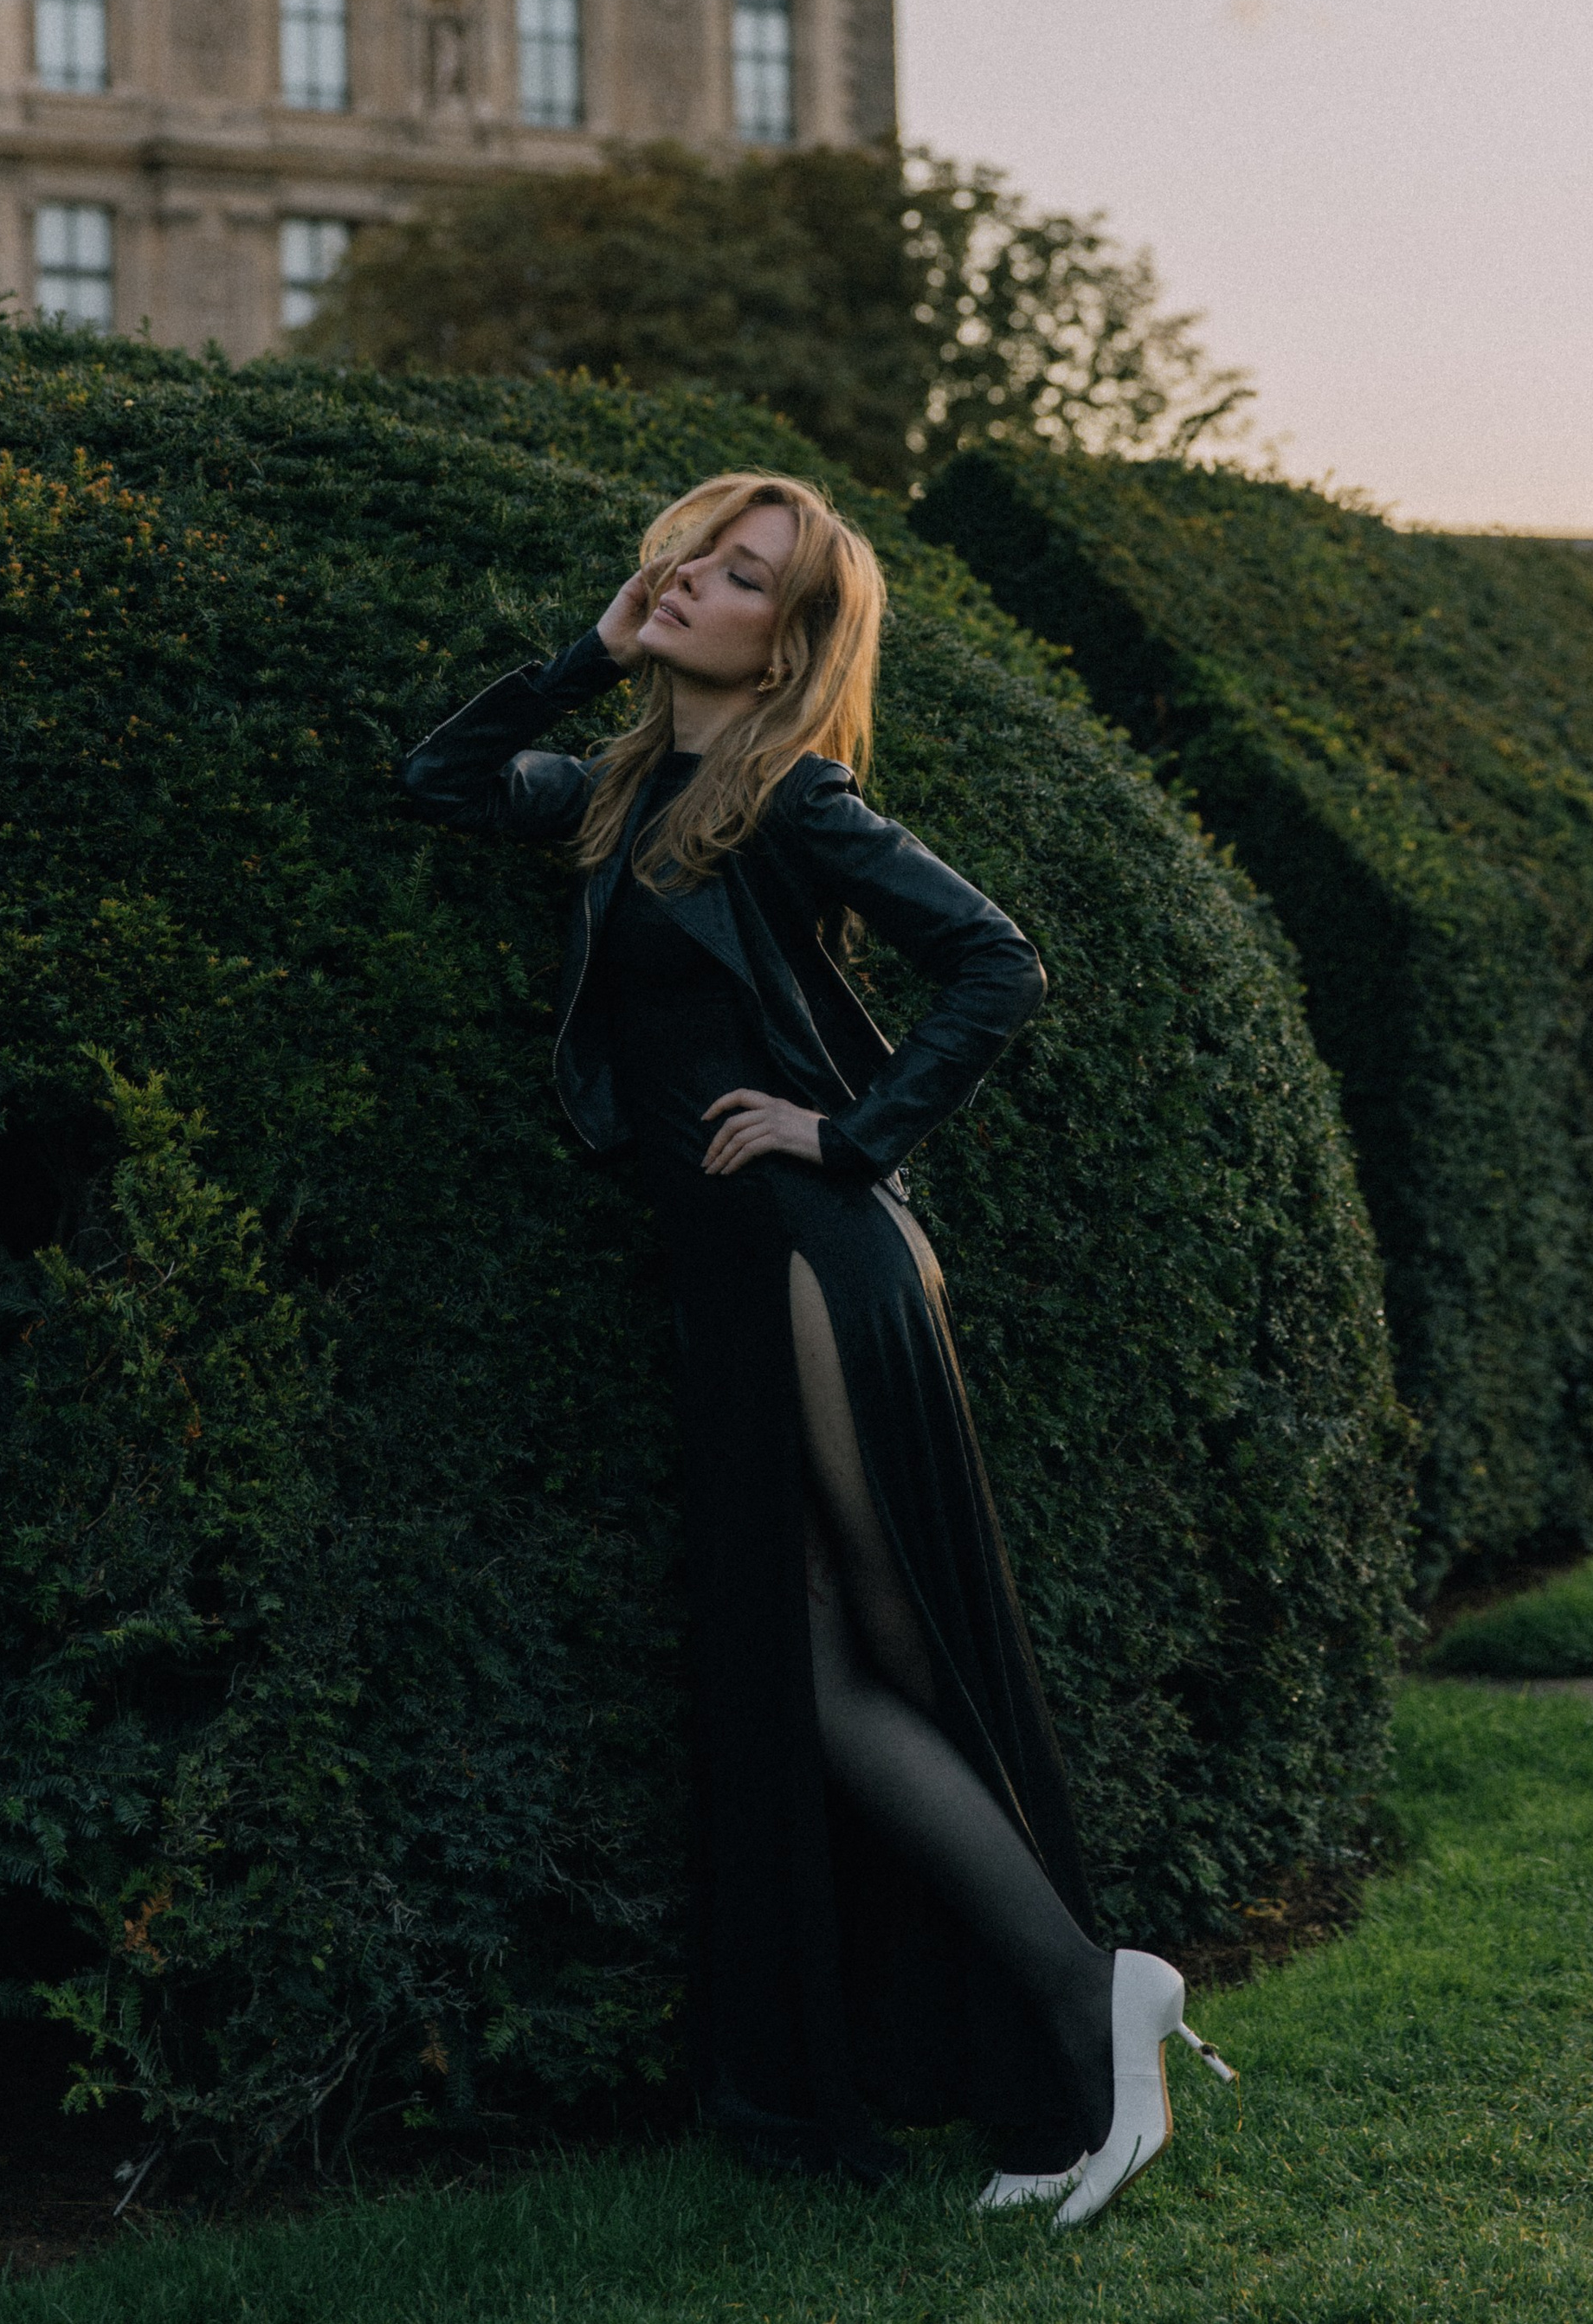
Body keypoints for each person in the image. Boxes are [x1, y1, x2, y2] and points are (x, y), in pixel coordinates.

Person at [398, 470, 1232, 2218]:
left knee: (886, 1656)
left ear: (788, 641)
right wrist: (588, 651)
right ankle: (1075, 2017)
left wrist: (847, 1136)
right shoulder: (626, 788)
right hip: (732, 1269)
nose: (691, 582)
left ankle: (1084, 1999)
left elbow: (995, 963)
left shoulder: (790, 793)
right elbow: (442, 778)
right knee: (832, 1676)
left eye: (741, 575)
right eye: (689, 557)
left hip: (807, 1252)